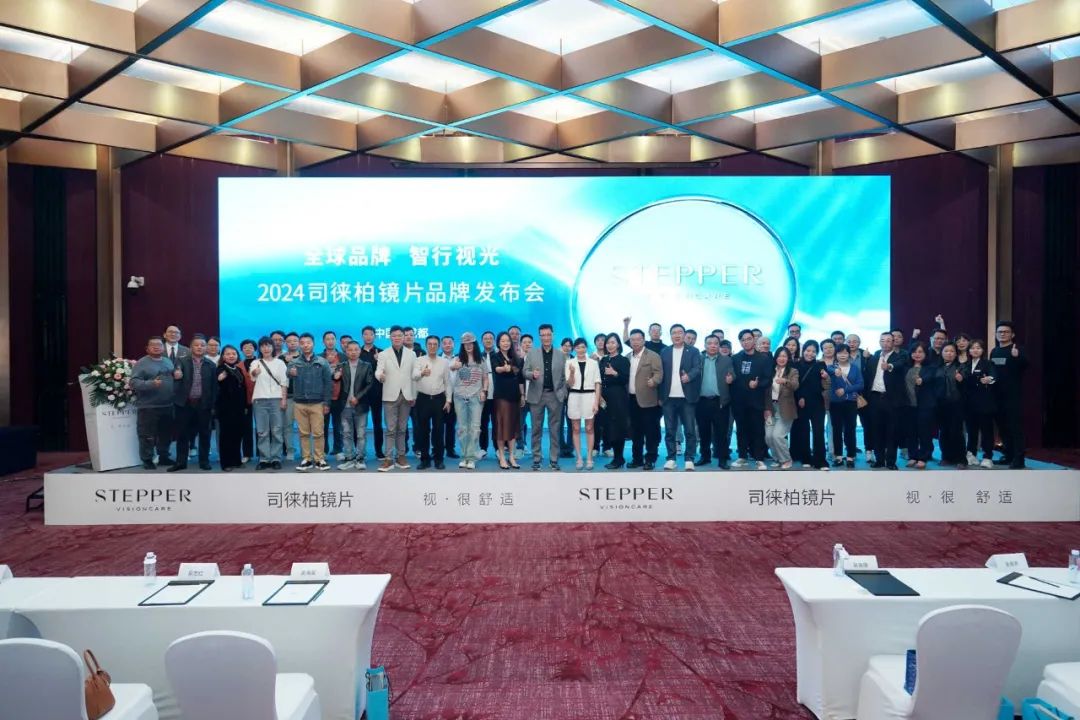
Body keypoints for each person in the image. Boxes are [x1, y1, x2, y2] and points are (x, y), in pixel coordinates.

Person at [523, 324, 568, 471]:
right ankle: (536, 458)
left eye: (548, 334)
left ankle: (554, 459)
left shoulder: (561, 355)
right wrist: (532, 375)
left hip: (555, 395)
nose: (546, 338)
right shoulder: (532, 353)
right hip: (537, 395)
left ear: (553, 335)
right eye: (543, 335)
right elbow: (525, 372)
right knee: (536, 429)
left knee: (555, 429)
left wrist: (563, 392)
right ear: (539, 336)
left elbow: (564, 376)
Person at [169, 336, 216, 472]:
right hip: (184, 403)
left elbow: (214, 387)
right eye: (196, 345)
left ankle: (204, 461)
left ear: (206, 348)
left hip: (203, 404)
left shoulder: (211, 365)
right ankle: (180, 462)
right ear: (191, 347)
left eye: (202, 345)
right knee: (182, 434)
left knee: (205, 434)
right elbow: (176, 371)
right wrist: (176, 373)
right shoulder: (182, 361)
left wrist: (212, 405)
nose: (200, 347)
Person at [659, 324, 702, 471]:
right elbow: (661, 374)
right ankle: (671, 459)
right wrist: (660, 395)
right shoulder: (664, 351)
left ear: (684, 335)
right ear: (670, 335)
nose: (677, 335)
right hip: (668, 398)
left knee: (690, 430)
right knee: (670, 430)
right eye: (674, 333)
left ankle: (689, 459)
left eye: (680, 332)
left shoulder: (693, 351)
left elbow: (697, 368)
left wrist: (689, 376)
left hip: (687, 397)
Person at [287, 333, 332, 471]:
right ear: (300, 345)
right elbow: (288, 374)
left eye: (308, 342)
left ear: (313, 344)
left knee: (318, 433)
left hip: (317, 403)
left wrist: (327, 403)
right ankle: (306, 459)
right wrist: (290, 373)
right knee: (303, 433)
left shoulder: (322, 362)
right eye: (303, 343)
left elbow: (328, 384)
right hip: (299, 402)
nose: (305, 345)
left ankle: (319, 459)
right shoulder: (294, 362)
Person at [375, 325, 417, 471]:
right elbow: (378, 371)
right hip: (390, 395)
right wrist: (380, 376)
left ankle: (401, 456)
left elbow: (414, 375)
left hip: (406, 396)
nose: (397, 338)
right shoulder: (383, 354)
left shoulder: (412, 354)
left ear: (403, 337)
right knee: (390, 429)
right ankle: (388, 458)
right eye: (394, 336)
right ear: (390, 337)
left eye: (400, 335)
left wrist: (414, 394)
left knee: (402, 429)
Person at [131, 336, 175, 470]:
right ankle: (147, 459)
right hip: (148, 406)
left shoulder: (168, 361)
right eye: (153, 345)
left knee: (166, 434)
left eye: (159, 345)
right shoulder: (141, 363)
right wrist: (151, 384)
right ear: (147, 348)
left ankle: (164, 456)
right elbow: (133, 382)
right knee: (147, 435)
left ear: (163, 348)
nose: (157, 347)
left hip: (168, 405)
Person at [866, 332, 908, 470]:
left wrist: (889, 366)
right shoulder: (874, 357)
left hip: (892, 400)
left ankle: (890, 461)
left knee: (892, 431)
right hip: (875, 398)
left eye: (888, 340)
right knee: (876, 430)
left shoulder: (900, 356)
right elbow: (868, 377)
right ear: (879, 342)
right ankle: (879, 460)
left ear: (893, 342)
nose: (885, 343)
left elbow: (900, 365)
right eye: (882, 340)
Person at [731, 329, 771, 470]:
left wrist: (758, 384)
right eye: (743, 340)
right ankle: (742, 456)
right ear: (740, 342)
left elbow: (768, 379)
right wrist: (729, 380)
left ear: (754, 340)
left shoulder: (764, 358)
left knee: (758, 430)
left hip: (756, 401)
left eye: (749, 339)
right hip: (739, 401)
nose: (746, 342)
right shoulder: (735, 358)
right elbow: (732, 378)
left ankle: (759, 458)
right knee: (741, 429)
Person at [990, 321, 1027, 469]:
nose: (1002, 334)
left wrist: (1017, 357)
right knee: (1002, 427)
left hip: (1012, 396)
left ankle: (1019, 459)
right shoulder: (994, 351)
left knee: (1015, 428)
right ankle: (1009, 455)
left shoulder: (1017, 350)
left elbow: (1026, 366)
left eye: (1006, 332)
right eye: (1000, 332)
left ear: (1012, 334)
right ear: (996, 334)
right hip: (996, 396)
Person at [625, 328, 663, 470]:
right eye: (632, 340)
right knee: (636, 432)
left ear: (643, 340)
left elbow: (659, 373)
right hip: (631, 400)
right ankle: (637, 459)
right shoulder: (627, 357)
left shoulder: (653, 356)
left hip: (649, 400)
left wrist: (654, 381)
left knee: (651, 431)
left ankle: (650, 459)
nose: (635, 342)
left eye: (638, 339)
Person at [695, 335, 734, 468]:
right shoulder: (699, 359)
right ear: (705, 345)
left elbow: (732, 374)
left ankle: (722, 459)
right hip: (701, 401)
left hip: (720, 402)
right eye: (709, 343)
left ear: (719, 345)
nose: (712, 345)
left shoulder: (726, 360)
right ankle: (705, 457)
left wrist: (731, 378)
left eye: (715, 343)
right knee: (703, 432)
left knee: (721, 432)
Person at [413, 336, 451, 470]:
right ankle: (425, 459)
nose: (432, 346)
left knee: (439, 430)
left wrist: (449, 400)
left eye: (435, 344)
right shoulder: (419, 360)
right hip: (422, 399)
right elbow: (414, 376)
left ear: (439, 346)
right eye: (430, 344)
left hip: (439, 399)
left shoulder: (444, 362)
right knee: (423, 431)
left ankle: (439, 459)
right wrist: (422, 373)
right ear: (426, 345)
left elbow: (448, 382)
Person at [248, 336, 286, 470]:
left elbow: (284, 382)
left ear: (272, 347)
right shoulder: (255, 362)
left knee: (277, 430)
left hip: (276, 399)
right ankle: (264, 459)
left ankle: (276, 458)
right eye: (263, 346)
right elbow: (252, 377)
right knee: (262, 431)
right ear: (260, 348)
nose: (266, 348)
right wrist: (255, 372)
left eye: (268, 345)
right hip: (260, 400)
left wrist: (284, 399)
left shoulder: (280, 363)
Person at [791, 340, 830, 470]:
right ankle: (806, 458)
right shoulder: (796, 365)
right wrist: (800, 397)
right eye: (808, 350)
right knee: (804, 431)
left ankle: (821, 461)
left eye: (814, 351)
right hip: (801, 403)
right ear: (803, 351)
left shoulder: (821, 364)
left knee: (819, 431)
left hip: (817, 402)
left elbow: (826, 386)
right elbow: (795, 384)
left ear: (817, 353)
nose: (810, 353)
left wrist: (826, 377)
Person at [452, 332, 488, 470]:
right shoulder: (457, 358)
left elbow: (485, 378)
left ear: (474, 344)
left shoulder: (481, 360)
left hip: (476, 397)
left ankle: (471, 457)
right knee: (462, 428)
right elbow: (450, 368)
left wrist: (484, 391)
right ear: (462, 345)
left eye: (470, 343)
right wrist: (454, 365)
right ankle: (464, 456)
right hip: (459, 397)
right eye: (465, 344)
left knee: (475, 428)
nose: (468, 346)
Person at [491, 331, 524, 470]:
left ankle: (511, 456)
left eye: (507, 340)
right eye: (503, 341)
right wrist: (504, 368)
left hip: (515, 396)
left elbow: (520, 378)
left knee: (513, 427)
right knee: (501, 427)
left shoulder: (515, 357)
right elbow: (497, 369)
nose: (506, 343)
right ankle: (502, 457)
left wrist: (522, 395)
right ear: (498, 343)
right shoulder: (495, 356)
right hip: (501, 397)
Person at [566, 338, 601, 470]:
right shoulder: (569, 362)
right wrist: (572, 373)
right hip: (574, 396)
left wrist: (596, 402)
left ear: (586, 348)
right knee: (575, 428)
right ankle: (579, 457)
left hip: (589, 396)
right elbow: (569, 384)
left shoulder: (593, 363)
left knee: (589, 428)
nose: (580, 350)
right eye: (578, 347)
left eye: (583, 347)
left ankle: (590, 457)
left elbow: (598, 383)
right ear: (574, 349)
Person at [338, 340, 374, 470]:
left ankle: (360, 458)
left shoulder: (366, 366)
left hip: (361, 405)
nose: (353, 352)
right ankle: (349, 458)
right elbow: (335, 383)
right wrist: (335, 376)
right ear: (346, 351)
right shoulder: (341, 366)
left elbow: (369, 384)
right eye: (350, 350)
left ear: (360, 351)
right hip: (344, 406)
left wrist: (357, 397)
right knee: (346, 433)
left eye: (356, 349)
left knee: (361, 434)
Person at [828, 344, 864, 468]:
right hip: (835, 403)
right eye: (839, 353)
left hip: (850, 402)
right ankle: (838, 456)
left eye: (845, 353)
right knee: (836, 430)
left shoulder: (854, 368)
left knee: (850, 429)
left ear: (849, 354)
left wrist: (845, 390)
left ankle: (850, 456)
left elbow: (860, 385)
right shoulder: (832, 368)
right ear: (836, 355)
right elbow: (827, 369)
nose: (842, 355)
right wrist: (835, 371)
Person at [906, 342, 940, 469]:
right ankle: (913, 456)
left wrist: (922, 380)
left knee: (924, 432)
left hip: (925, 405)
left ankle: (923, 457)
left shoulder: (931, 368)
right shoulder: (906, 367)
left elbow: (930, 378)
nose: (917, 354)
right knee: (911, 432)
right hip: (909, 405)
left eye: (920, 352)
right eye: (914, 352)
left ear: (926, 354)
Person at [215, 345, 249, 471]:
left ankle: (236, 460)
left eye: (233, 354)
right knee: (226, 436)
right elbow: (217, 385)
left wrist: (245, 406)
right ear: (223, 356)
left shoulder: (238, 369)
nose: (231, 356)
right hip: (226, 409)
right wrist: (219, 379)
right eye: (228, 354)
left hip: (239, 408)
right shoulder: (220, 369)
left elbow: (242, 388)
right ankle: (226, 463)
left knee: (237, 434)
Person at [599, 333, 630, 469]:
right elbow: (599, 378)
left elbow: (626, 379)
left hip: (618, 397)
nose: (610, 345)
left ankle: (619, 458)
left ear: (618, 344)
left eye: (613, 342)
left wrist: (615, 373)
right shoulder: (603, 360)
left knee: (618, 427)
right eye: (608, 342)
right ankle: (613, 454)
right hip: (604, 396)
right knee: (607, 427)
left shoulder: (623, 360)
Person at [963, 339, 996, 469]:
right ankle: (971, 454)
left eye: (978, 348)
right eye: (972, 348)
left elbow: (994, 376)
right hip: (969, 403)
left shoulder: (988, 363)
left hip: (984, 402)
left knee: (986, 430)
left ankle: (988, 456)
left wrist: (989, 379)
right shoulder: (966, 365)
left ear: (983, 350)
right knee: (971, 430)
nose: (975, 350)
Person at [765, 347, 800, 470]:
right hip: (771, 408)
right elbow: (765, 391)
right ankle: (777, 458)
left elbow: (795, 386)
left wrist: (785, 381)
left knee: (778, 436)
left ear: (788, 358)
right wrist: (766, 408)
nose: (781, 358)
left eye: (784, 356)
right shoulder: (770, 370)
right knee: (768, 436)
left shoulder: (793, 371)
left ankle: (786, 459)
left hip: (786, 408)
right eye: (779, 356)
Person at [938, 343, 967, 468]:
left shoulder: (961, 367)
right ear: (941, 353)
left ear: (956, 354)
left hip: (956, 404)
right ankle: (946, 457)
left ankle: (961, 459)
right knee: (943, 432)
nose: (949, 353)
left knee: (956, 432)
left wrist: (961, 380)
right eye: (946, 351)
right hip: (941, 405)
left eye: (952, 351)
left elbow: (967, 386)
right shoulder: (937, 367)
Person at [359, 326, 384, 459]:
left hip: (377, 392)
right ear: (362, 336)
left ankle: (379, 451)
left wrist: (379, 361)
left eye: (371, 334)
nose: (368, 336)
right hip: (361, 393)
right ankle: (360, 452)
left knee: (377, 423)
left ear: (375, 336)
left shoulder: (381, 352)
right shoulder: (357, 352)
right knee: (360, 424)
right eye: (366, 334)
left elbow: (385, 372)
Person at [321, 331, 345, 459]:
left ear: (336, 341)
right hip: (323, 397)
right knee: (323, 426)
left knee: (338, 426)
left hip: (339, 397)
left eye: (332, 339)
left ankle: (338, 450)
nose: (330, 341)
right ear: (323, 342)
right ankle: (323, 450)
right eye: (327, 339)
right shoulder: (319, 358)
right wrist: (327, 364)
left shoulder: (343, 357)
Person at [280, 332, 301, 459]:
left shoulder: (305, 357)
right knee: (287, 425)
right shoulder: (280, 359)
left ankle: (306, 452)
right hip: (288, 396)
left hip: (303, 397)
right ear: (285, 343)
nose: (292, 343)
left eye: (295, 341)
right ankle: (290, 450)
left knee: (305, 426)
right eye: (289, 341)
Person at [478, 330, 497, 458]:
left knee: (497, 422)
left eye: (490, 338)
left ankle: (498, 448)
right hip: (482, 393)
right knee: (482, 422)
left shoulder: (499, 355)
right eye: (485, 338)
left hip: (497, 393)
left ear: (494, 341)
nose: (488, 340)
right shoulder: (478, 356)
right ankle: (483, 448)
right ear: (482, 341)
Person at [441, 336, 459, 459]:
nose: (447, 345)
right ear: (441, 346)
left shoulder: (459, 358)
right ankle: (437, 448)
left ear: (453, 344)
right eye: (445, 343)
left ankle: (450, 449)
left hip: (455, 395)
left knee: (451, 424)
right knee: (438, 424)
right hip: (440, 395)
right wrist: (450, 367)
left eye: (450, 343)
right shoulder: (437, 358)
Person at [239, 339, 257, 463]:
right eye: (245, 347)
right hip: (245, 400)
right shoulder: (238, 365)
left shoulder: (261, 362)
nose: (248, 349)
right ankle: (247, 453)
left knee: (262, 428)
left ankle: (263, 454)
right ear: (241, 350)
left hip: (261, 399)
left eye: (250, 347)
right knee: (246, 427)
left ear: (255, 349)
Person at [559, 337, 576, 458]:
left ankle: (570, 448)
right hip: (559, 393)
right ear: (561, 346)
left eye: (569, 346)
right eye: (565, 345)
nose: (567, 347)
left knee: (571, 421)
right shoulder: (556, 359)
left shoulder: (575, 360)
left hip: (572, 393)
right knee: (558, 422)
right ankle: (561, 447)